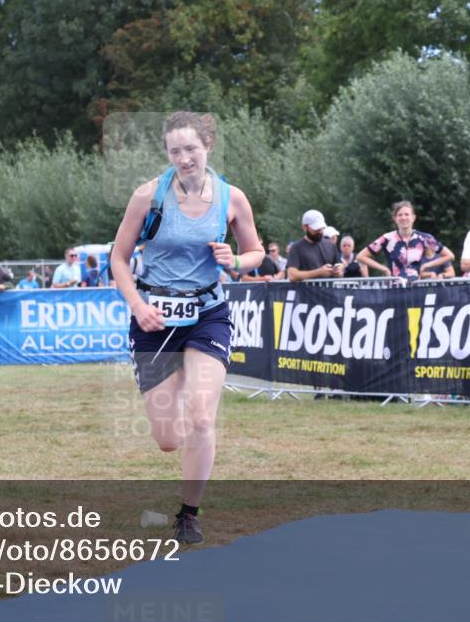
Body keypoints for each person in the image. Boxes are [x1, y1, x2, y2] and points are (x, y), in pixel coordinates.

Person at [109, 111, 263, 545]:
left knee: (200, 417)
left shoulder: (232, 198)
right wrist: (137, 305)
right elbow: (118, 258)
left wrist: (236, 261)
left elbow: (255, 253)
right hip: (153, 319)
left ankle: (188, 514)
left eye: (191, 149)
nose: (184, 158)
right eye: (175, 151)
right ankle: (173, 388)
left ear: (208, 145)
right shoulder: (147, 197)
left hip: (207, 314)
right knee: (167, 439)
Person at [357, 201, 453, 281]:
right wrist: (384, 269)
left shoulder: (424, 238)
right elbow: (361, 256)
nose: (403, 218)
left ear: (413, 218)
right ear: (395, 218)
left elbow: (449, 255)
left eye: (407, 214)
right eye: (400, 215)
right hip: (394, 289)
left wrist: (426, 265)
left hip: (416, 289)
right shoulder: (387, 238)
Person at [286, 210, 343, 281]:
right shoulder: (296, 248)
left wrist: (339, 270)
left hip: (329, 291)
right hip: (306, 291)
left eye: (321, 228)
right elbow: (292, 275)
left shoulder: (330, 245)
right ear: (304, 227)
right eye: (316, 228)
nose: (319, 231)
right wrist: (319, 272)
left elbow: (339, 266)